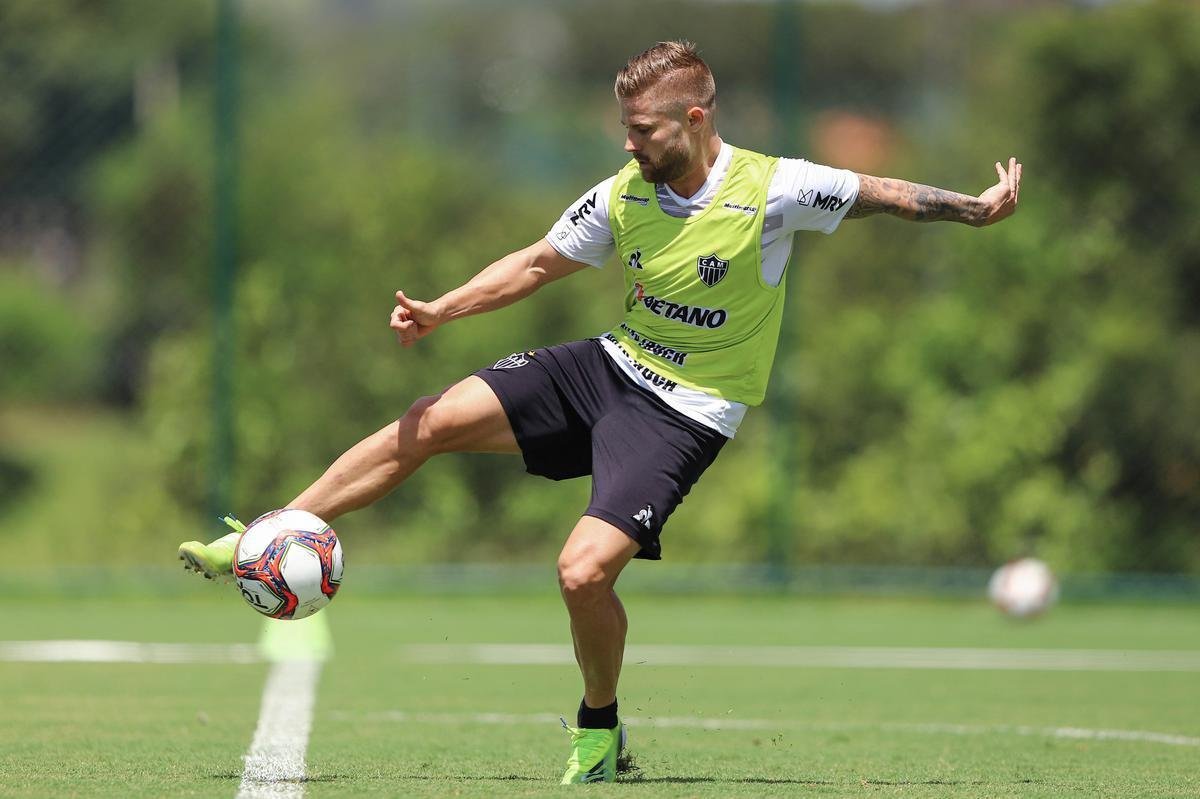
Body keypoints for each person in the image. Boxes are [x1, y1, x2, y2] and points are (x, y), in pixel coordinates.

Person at [179, 40, 1021, 784]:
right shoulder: (625, 194)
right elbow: (538, 263)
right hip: (607, 367)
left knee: (582, 573)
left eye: (644, 129)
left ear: (694, 118)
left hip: (684, 414)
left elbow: (877, 191)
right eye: (624, 127)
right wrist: (443, 308)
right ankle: (265, 531)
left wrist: (973, 208)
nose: (629, 142)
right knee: (430, 418)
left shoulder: (775, 188)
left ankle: (599, 726)